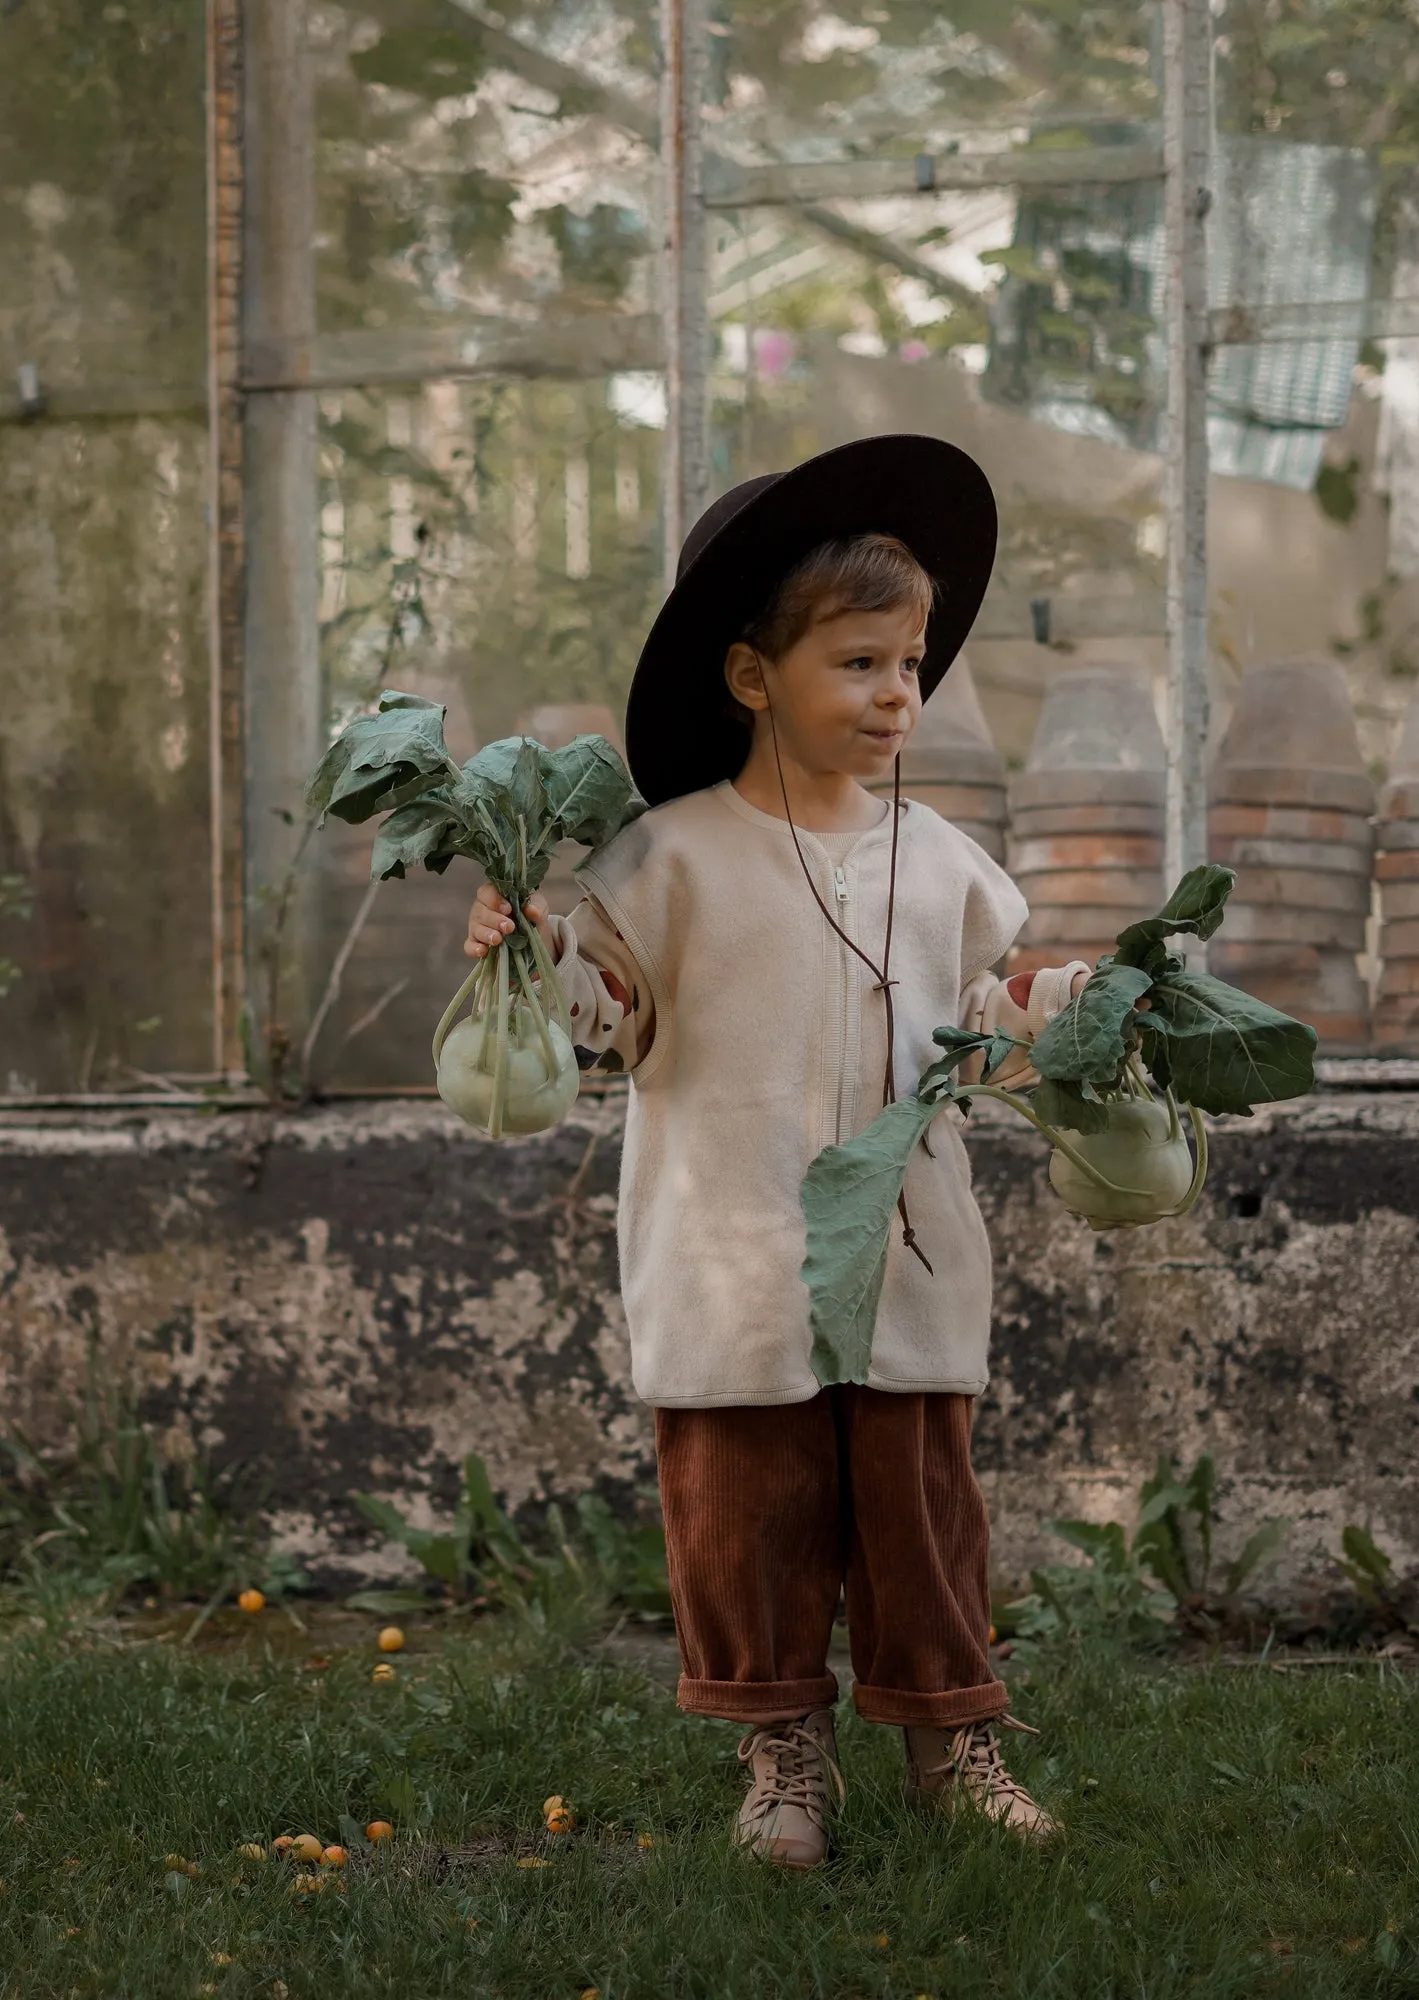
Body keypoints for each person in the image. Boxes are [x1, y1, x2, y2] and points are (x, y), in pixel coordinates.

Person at [463, 436, 1089, 1868]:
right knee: (748, 1514)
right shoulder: (668, 861)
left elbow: (982, 1028)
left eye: (912, 665)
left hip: (905, 1255)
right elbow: (607, 1030)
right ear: (755, 679)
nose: (898, 697)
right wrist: (536, 957)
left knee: (922, 1509)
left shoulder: (940, 864)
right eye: (861, 664)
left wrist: (1075, 1008)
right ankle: (783, 1756)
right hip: (727, 1249)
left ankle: (951, 1744)